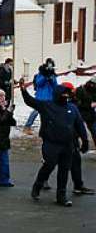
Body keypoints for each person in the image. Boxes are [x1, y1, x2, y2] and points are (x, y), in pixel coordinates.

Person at [20, 78, 88, 206]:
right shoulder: (47, 106)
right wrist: (23, 90)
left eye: (67, 94)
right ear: (57, 94)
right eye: (64, 93)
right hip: (51, 143)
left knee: (64, 169)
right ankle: (38, 185)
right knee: (49, 165)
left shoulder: (72, 108)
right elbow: (30, 101)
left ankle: (61, 196)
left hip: (68, 144)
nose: (66, 96)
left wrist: (84, 141)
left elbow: (79, 125)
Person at [23, 58, 57, 134]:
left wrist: (52, 79)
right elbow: (38, 83)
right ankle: (27, 126)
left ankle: (48, 128)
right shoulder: (41, 74)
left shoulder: (53, 74)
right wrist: (45, 77)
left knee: (48, 114)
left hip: (50, 97)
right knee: (35, 112)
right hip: (41, 97)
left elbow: (55, 86)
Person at [74, 77, 96, 146]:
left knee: (95, 132)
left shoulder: (94, 90)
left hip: (91, 115)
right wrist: (90, 105)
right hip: (80, 114)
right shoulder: (80, 90)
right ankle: (74, 149)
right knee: (75, 133)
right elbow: (77, 103)